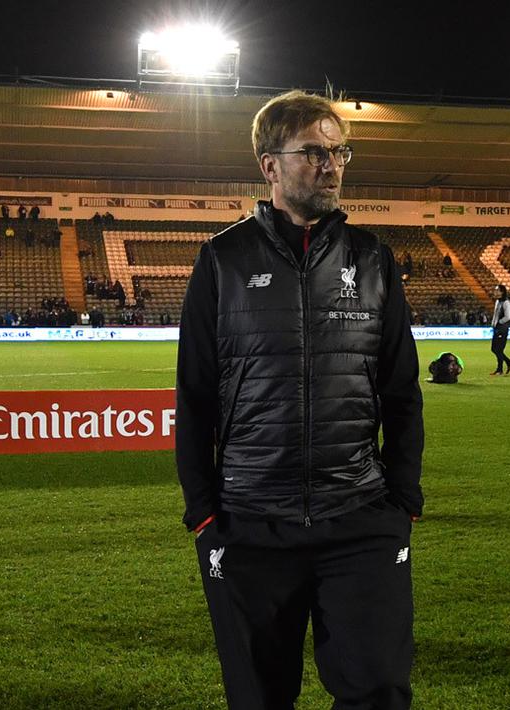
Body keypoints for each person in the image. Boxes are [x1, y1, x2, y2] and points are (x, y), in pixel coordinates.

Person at [176, 90, 423, 709]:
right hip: (250, 525)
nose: (331, 165)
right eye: (313, 152)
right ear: (270, 165)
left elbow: (401, 391)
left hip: (360, 518)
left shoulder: (373, 260)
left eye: (339, 152)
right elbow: (195, 396)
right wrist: (205, 513)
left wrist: (401, 500)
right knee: (259, 699)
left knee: (379, 690)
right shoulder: (222, 260)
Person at [490, 284, 510, 375]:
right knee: (494, 349)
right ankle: (507, 364)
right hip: (497, 328)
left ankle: (501, 368)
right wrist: (493, 323)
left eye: (497, 290)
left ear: (502, 292)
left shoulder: (506, 302)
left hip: (502, 328)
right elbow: (495, 314)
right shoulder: (498, 301)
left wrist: (499, 322)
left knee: (497, 349)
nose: (495, 292)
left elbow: (508, 316)